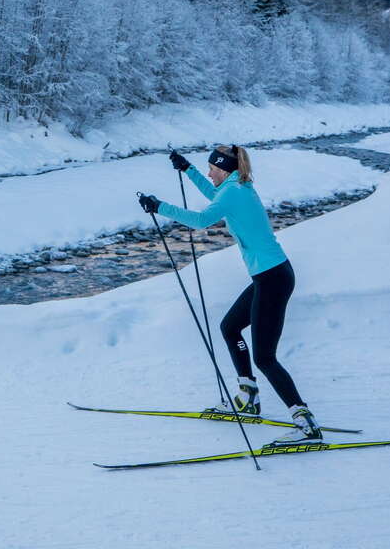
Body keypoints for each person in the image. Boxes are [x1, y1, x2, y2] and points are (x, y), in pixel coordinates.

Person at [138, 144, 322, 443]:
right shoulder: (235, 187)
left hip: (273, 278)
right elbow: (214, 197)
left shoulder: (234, 191)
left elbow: (200, 220)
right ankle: (248, 397)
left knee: (266, 358)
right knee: (230, 327)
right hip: (270, 275)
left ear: (224, 169)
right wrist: (188, 170)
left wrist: (160, 207)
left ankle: (306, 423)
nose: (209, 173)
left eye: (212, 169)